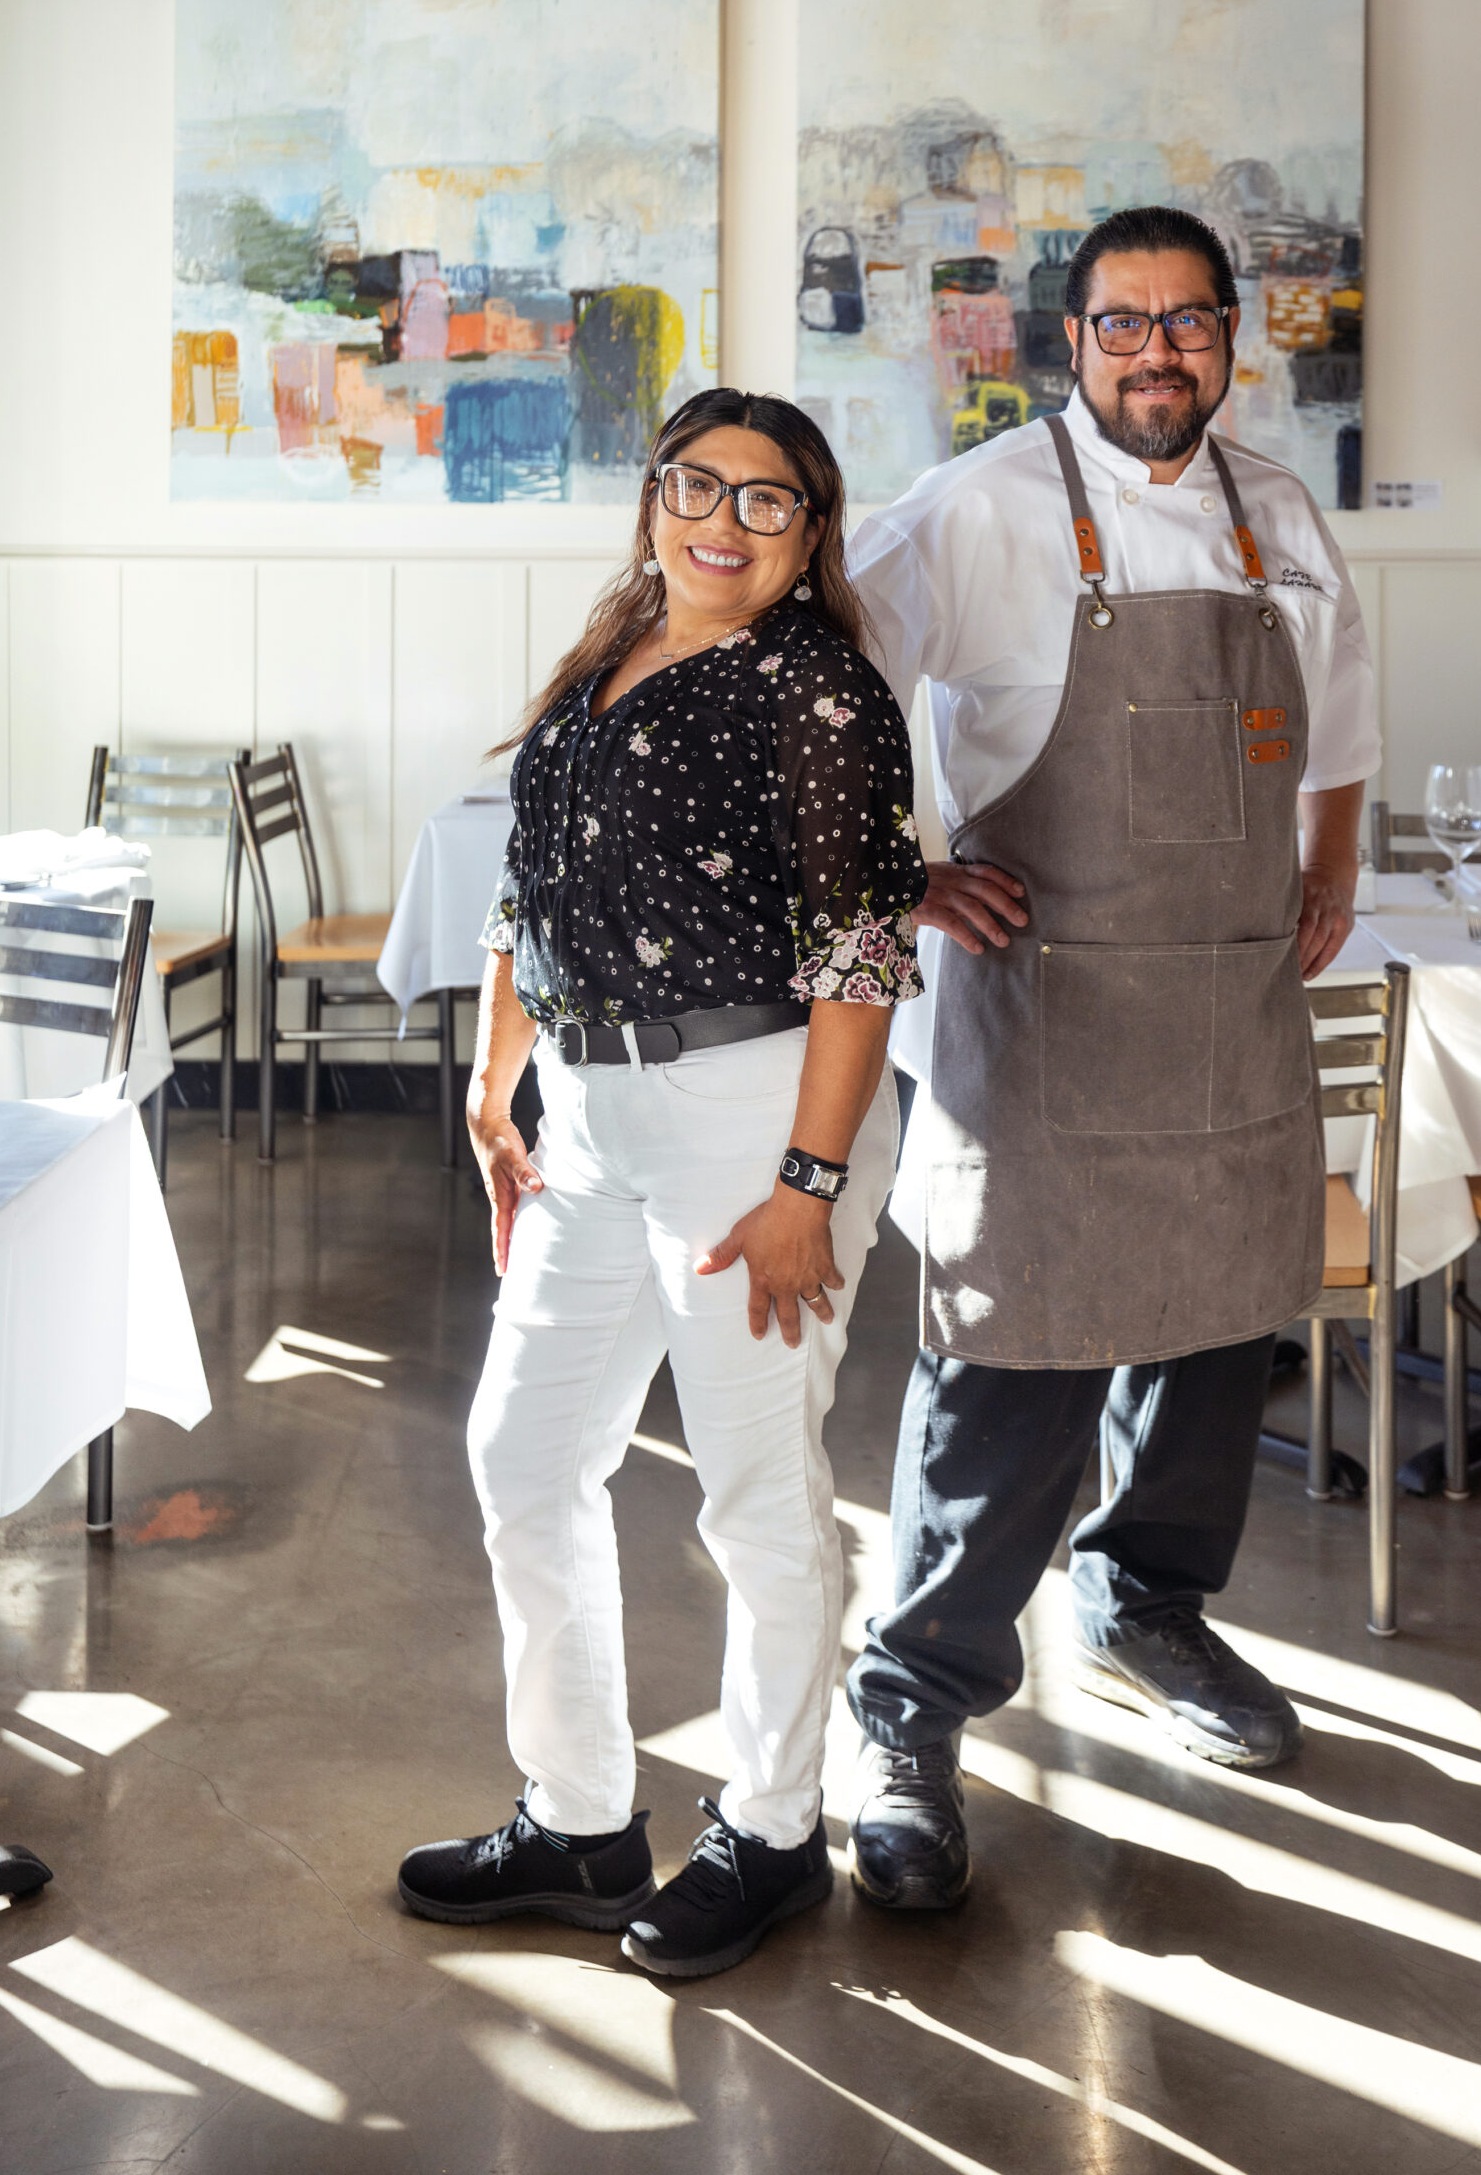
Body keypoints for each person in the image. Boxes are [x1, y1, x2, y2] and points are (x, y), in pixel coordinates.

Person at [842, 205, 1380, 1908]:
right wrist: (903, 871)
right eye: (1126, 324)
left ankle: (1150, 1603)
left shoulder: (1278, 514)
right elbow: (838, 689)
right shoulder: (977, 511)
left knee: (1219, 1334)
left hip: (1224, 1008)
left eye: (1190, 323)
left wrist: (1336, 864)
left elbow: (1342, 719)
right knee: (1013, 1362)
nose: (1161, 352)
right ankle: (913, 1703)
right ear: (1073, 345)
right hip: (1042, 1018)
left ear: (1233, 338)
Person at [397, 389, 925, 1978]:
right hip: (594, 1111)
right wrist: (499, 1082)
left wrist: (807, 1187)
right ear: (652, 496)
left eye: (768, 504)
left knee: (758, 1493)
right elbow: (525, 884)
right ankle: (580, 1816)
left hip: (757, 1113)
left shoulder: (819, 690)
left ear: (809, 536)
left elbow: (862, 957)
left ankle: (772, 1834)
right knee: (523, 1453)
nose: (723, 521)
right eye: (697, 485)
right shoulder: (607, 653)